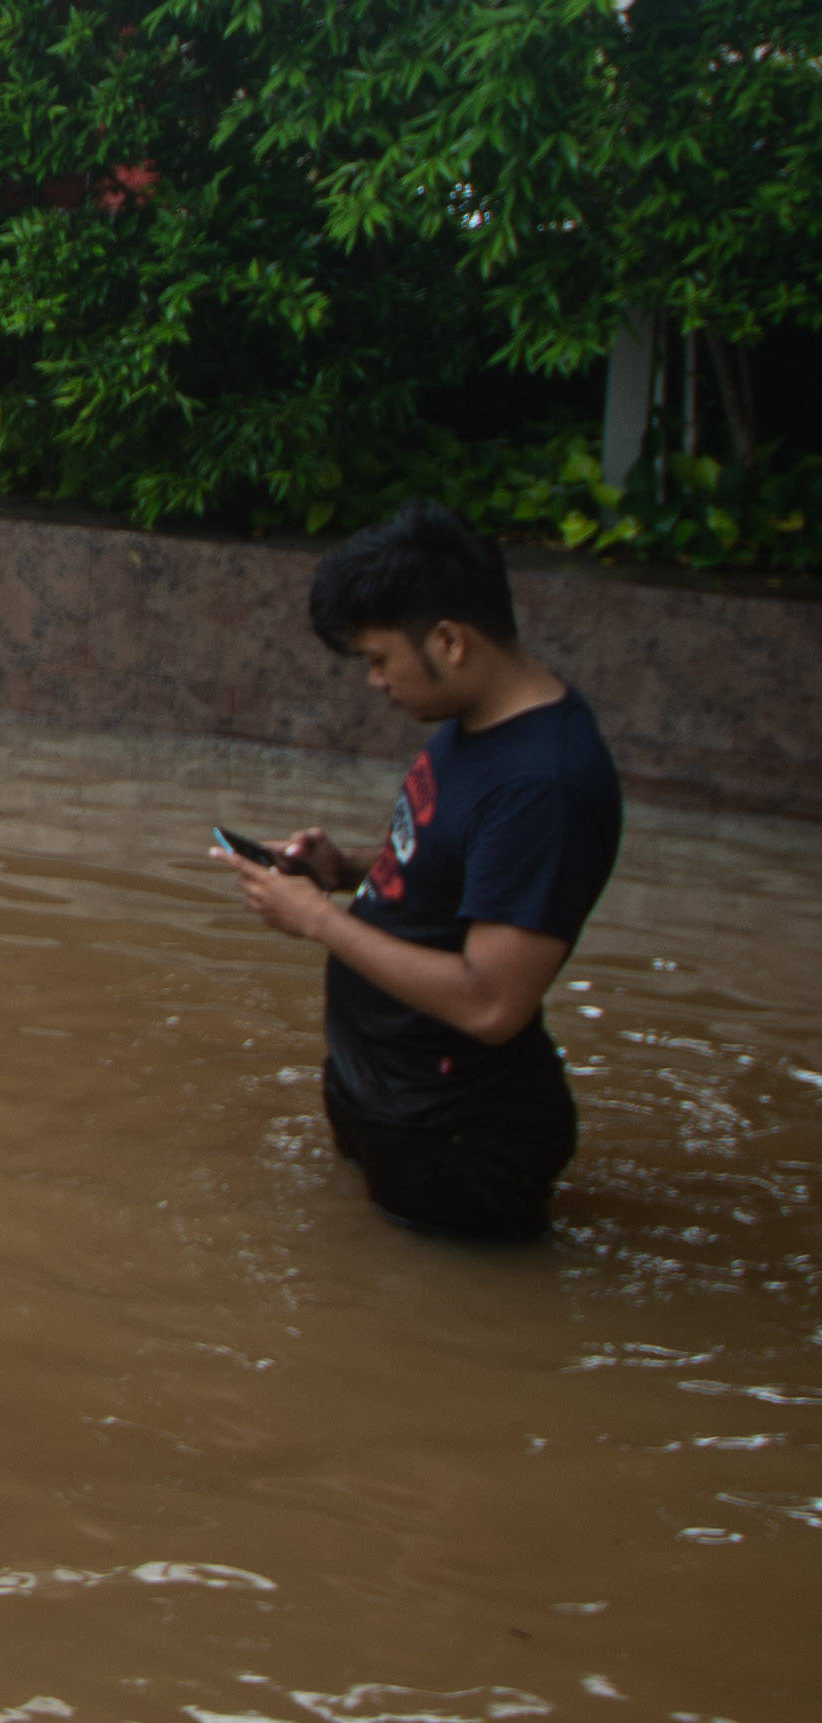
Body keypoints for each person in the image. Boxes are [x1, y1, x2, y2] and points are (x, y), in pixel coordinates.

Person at [223, 502, 622, 1241]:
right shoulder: (478, 725)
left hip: (458, 1137)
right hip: (392, 1089)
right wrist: (343, 869)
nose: (375, 681)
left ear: (449, 640)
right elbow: (451, 863)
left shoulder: (546, 787)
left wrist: (315, 919)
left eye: (379, 659)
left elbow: (491, 1004)